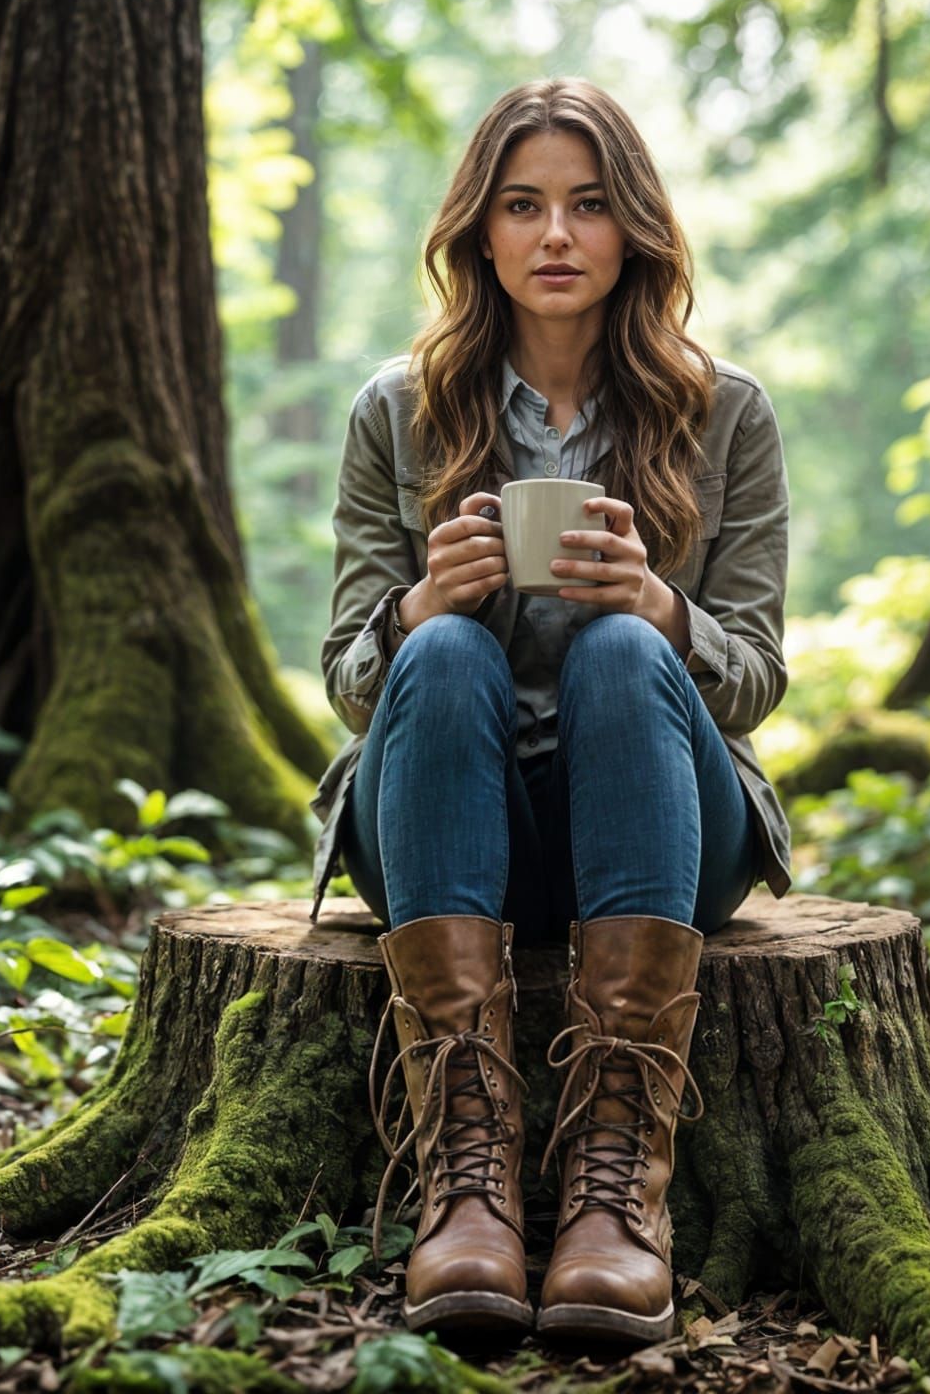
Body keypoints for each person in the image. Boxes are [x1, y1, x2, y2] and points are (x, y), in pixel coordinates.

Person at [311, 77, 793, 1346]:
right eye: (522, 207)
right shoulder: (397, 410)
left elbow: (759, 677)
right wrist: (419, 610)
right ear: (480, 233)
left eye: (588, 205)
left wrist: (667, 610)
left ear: (635, 226)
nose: (557, 237)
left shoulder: (725, 411)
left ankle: (613, 1190)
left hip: (665, 822)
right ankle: (465, 1174)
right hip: (449, 819)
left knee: (628, 651)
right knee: (452, 653)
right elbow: (352, 681)